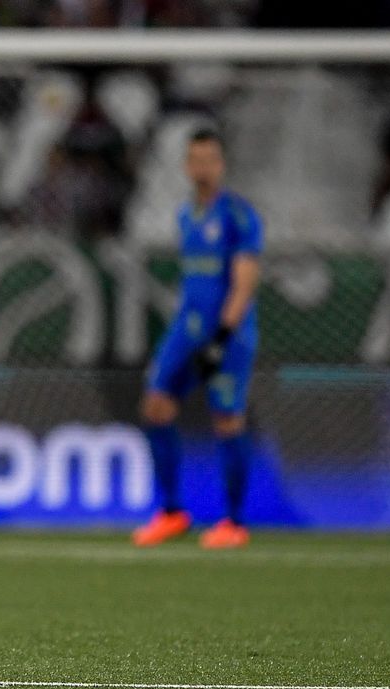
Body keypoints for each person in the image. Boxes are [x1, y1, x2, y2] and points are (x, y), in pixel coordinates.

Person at [131, 128, 262, 550]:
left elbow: (244, 282)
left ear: (221, 165)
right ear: (187, 166)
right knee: (156, 405)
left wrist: (222, 337)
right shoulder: (186, 215)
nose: (203, 167)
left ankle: (234, 521)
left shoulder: (238, 216)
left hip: (228, 335)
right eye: (196, 160)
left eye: (210, 159)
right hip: (185, 330)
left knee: (226, 419)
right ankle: (171, 512)